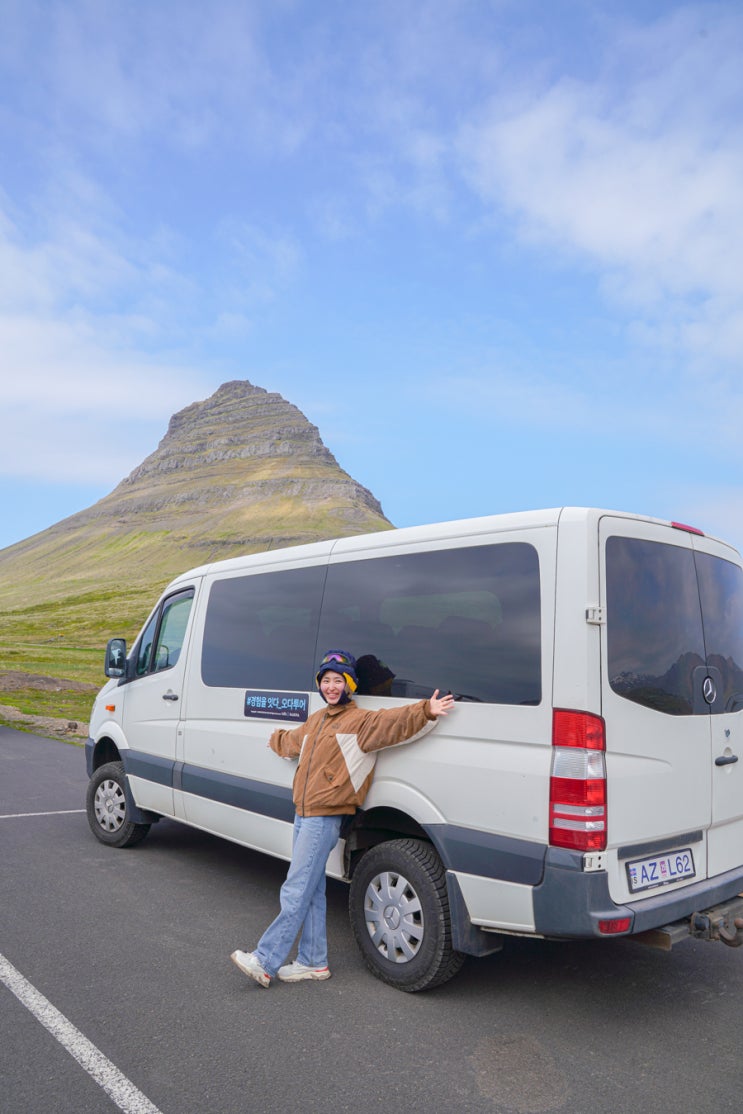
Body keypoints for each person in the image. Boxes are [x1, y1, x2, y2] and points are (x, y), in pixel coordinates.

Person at [230, 649, 455, 988]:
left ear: (350, 684)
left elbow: (392, 723)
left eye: (338, 680)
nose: (331, 687)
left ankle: (265, 960)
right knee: (311, 889)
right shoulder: (318, 719)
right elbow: (294, 741)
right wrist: (275, 740)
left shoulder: (359, 721)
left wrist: (425, 710)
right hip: (304, 812)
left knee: (296, 889)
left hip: (324, 817)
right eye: (326, 680)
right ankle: (313, 961)